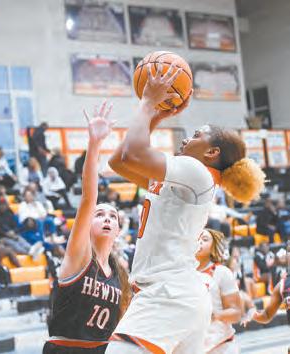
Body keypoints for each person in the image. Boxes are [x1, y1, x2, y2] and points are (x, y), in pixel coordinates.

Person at [106, 61, 265, 354]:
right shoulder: (189, 177)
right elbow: (119, 162)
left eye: (197, 135)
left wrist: (148, 103)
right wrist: (155, 115)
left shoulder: (196, 172)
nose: (187, 138)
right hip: (176, 296)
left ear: (212, 152)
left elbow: (132, 152)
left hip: (168, 294)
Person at [42, 102, 131, 354]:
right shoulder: (80, 256)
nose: (106, 219)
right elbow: (88, 199)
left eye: (112, 216)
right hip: (67, 349)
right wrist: (95, 144)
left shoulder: (119, 271)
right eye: (99, 214)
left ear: (118, 229)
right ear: (87, 224)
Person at [196, 229, 241, 354]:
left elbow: (237, 313)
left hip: (221, 346)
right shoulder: (182, 274)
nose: (199, 242)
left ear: (213, 247)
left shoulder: (222, 272)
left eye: (205, 240)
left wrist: (215, 315)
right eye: (196, 238)